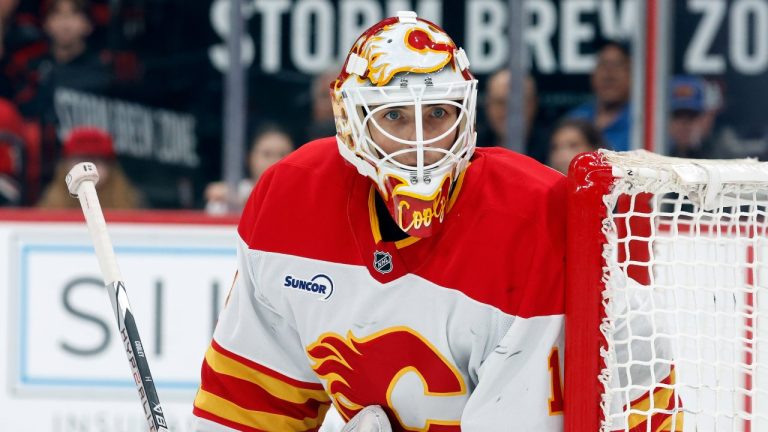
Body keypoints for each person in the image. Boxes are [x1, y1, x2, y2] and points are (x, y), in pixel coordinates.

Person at [192, 11, 566, 431]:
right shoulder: (292, 200)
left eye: (438, 114)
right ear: (351, 124)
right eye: (393, 116)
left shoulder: (534, 218)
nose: (419, 143)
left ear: (466, 115)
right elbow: (249, 406)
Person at [15, 0, 111, 187]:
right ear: (46, 23)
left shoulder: (103, 72)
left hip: (92, 168)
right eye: (57, 15)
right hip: (44, 169)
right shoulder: (33, 69)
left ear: (88, 24)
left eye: (74, 15)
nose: (65, 23)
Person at [37, 126, 143, 209]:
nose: (85, 168)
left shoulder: (130, 202)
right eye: (79, 160)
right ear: (66, 164)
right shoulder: (50, 202)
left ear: (110, 167)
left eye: (95, 161)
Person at [204, 125, 295, 214]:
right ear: (250, 158)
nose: (275, 161)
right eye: (267, 154)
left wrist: (233, 198)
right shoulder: (224, 200)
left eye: (283, 154)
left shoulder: (300, 196)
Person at [567, 40, 631, 152]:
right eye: (603, 65)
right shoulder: (576, 118)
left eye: (617, 65)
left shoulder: (642, 121)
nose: (609, 75)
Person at [477, 69, 549, 163]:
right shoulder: (472, 149)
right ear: (488, 106)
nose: (509, 111)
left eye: (518, 103)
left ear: (533, 104)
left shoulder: (552, 148)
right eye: (500, 103)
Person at [667, 75, 714, 159]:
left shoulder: (719, 157)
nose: (685, 124)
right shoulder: (657, 153)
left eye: (692, 116)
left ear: (704, 121)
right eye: (678, 116)